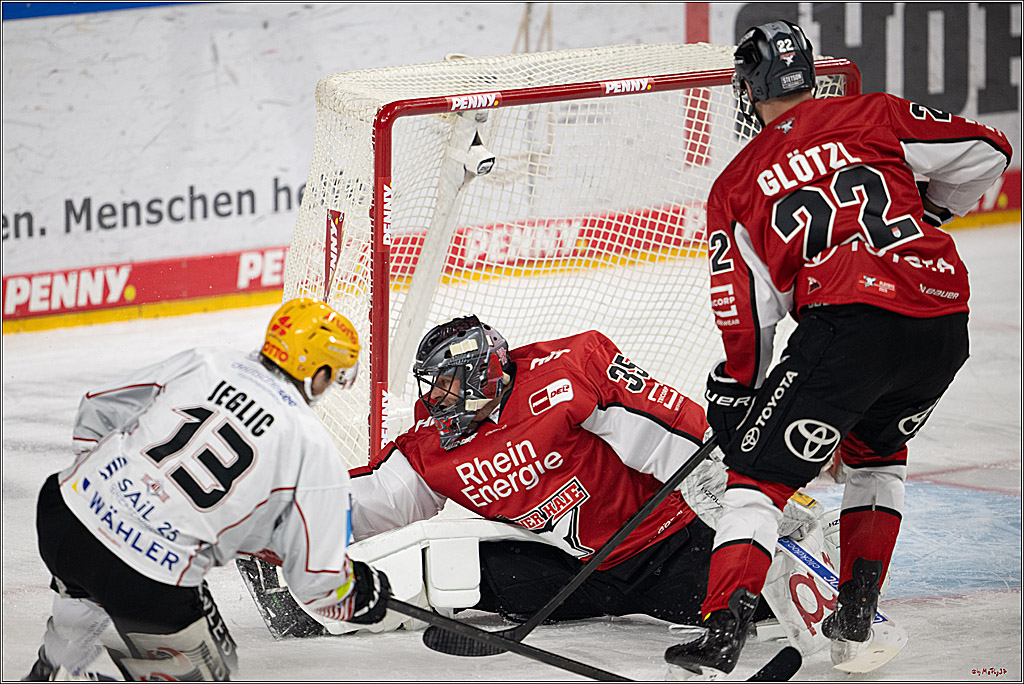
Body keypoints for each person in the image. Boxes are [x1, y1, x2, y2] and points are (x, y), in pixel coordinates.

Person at [663, 20, 1013, 677]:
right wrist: (934, 212)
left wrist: (740, 387)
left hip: (851, 325)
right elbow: (990, 150)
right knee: (878, 456)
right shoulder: (874, 112)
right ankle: (855, 616)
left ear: (751, 90)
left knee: (757, 480)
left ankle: (721, 631)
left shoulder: (737, 181)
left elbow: (745, 310)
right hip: (943, 322)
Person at [343, 315, 814, 626]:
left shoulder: (567, 374)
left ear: (483, 373)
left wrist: (742, 490)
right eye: (432, 387)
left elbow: (667, 430)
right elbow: (381, 495)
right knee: (443, 571)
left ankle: (836, 555)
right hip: (572, 574)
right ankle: (324, 607)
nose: (434, 400)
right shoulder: (435, 444)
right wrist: (291, 523)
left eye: (447, 385)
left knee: (770, 603)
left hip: (670, 548)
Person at [25, 298, 392, 681]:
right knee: (213, 668)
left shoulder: (208, 361)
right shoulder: (312, 447)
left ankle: (53, 667)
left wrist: (99, 489)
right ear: (316, 371)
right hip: (149, 575)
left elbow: (97, 407)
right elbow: (317, 582)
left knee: (90, 576)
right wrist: (359, 595)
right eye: (331, 375)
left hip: (62, 514)